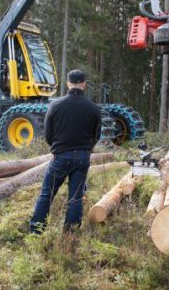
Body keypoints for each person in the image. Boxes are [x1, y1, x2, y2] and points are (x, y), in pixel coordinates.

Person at [29, 69, 102, 233]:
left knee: (47, 194)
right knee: (75, 197)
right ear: (84, 84)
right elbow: (96, 135)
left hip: (61, 156)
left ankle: (36, 231)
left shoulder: (55, 105)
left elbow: (48, 133)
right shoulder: (93, 108)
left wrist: (56, 148)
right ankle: (70, 233)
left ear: (68, 83)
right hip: (83, 156)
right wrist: (87, 149)